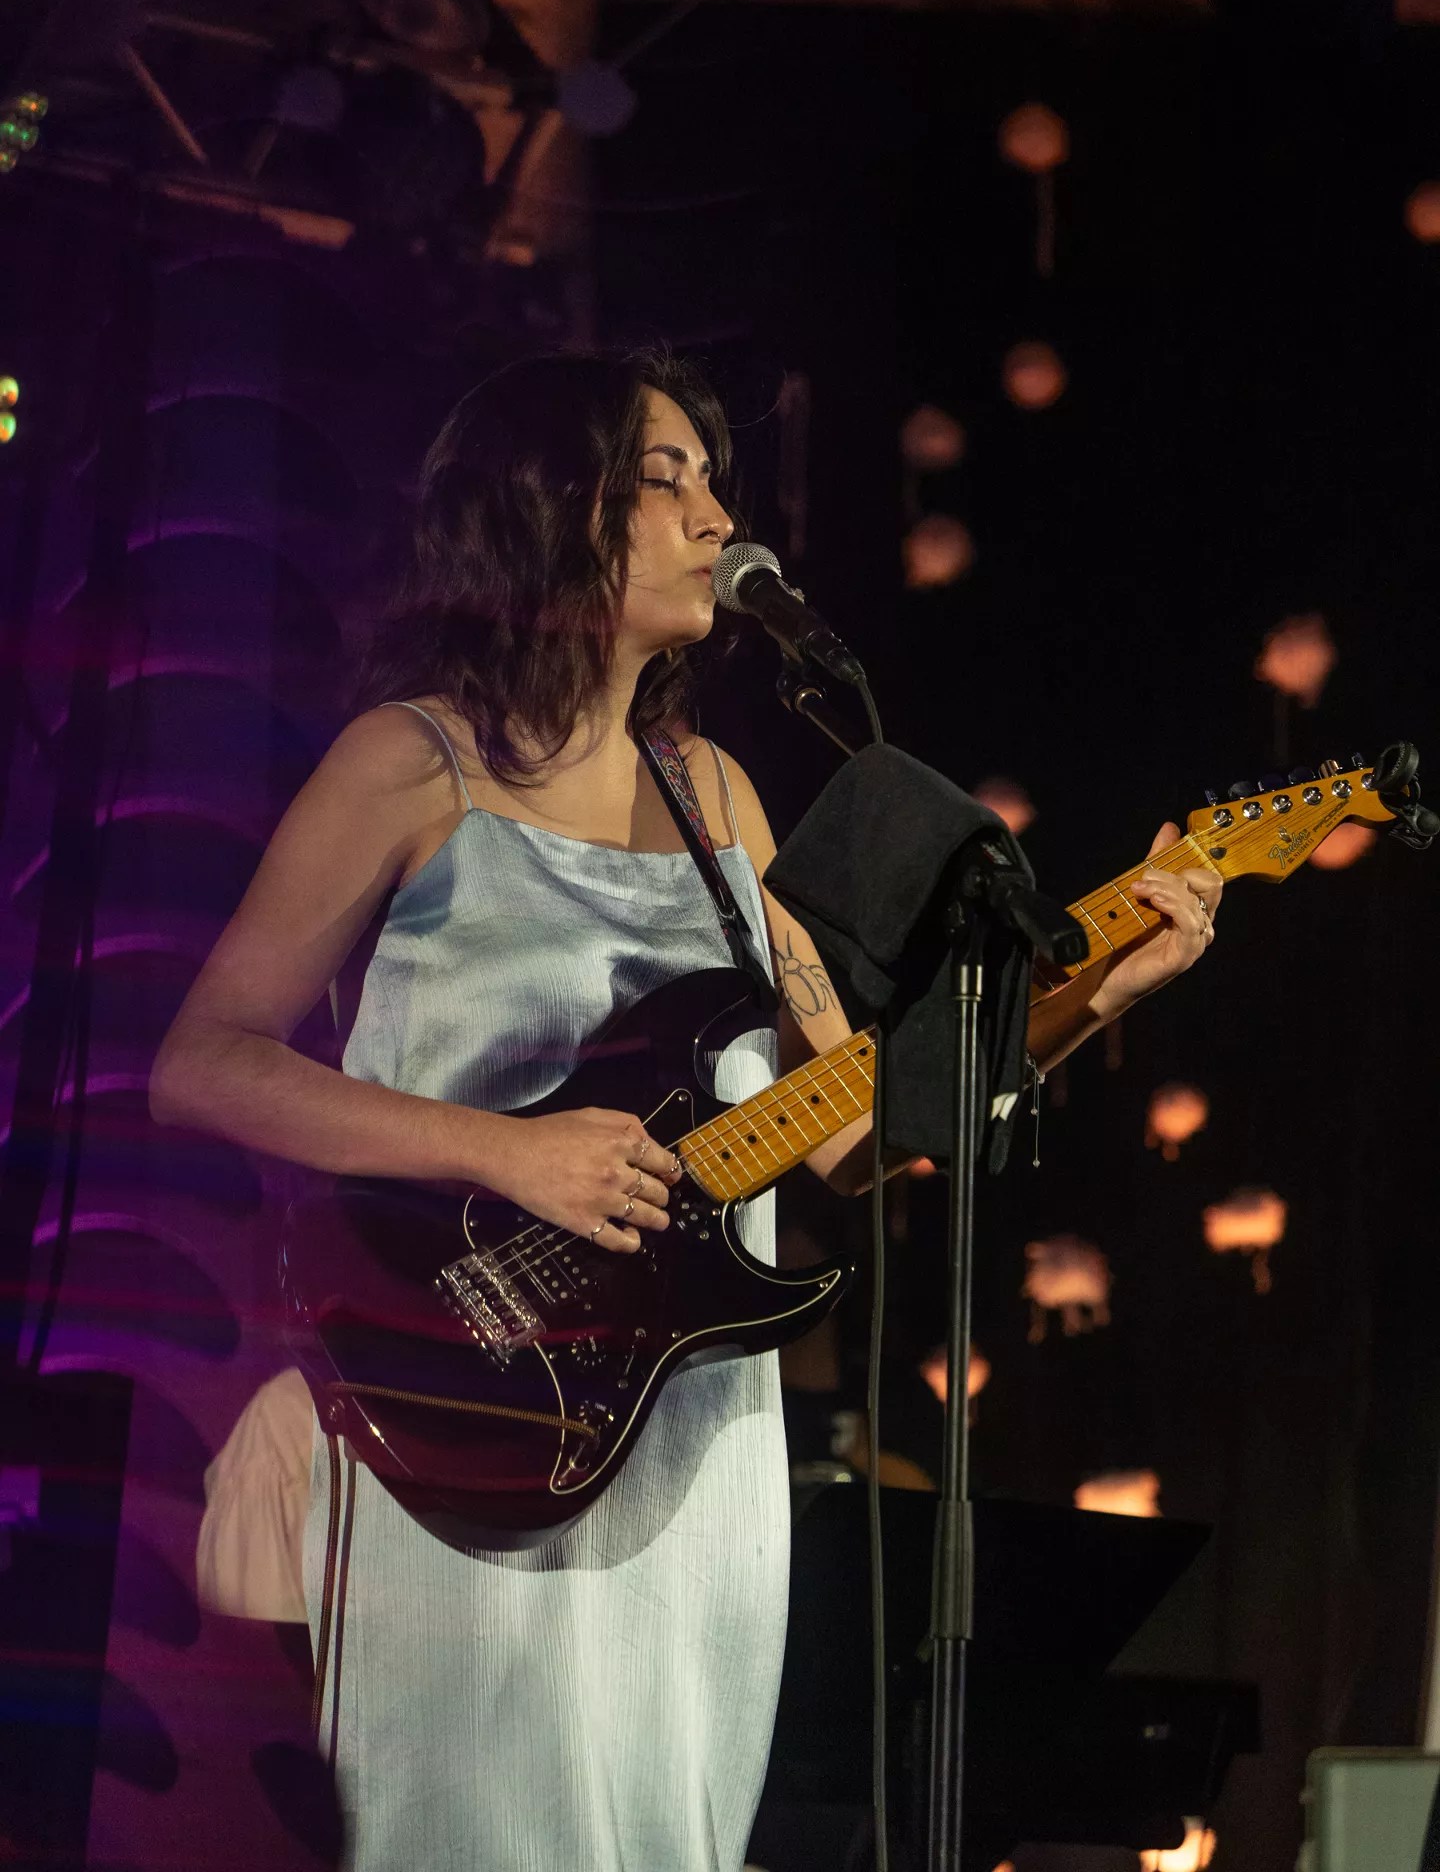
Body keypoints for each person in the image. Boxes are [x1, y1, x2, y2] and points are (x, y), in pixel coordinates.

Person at [150, 348, 1220, 1872]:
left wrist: (1100, 988)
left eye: (716, 482)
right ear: (550, 507)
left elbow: (853, 1125)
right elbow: (203, 1062)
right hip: (464, 1398)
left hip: (695, 1433)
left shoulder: (720, 797)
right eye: (669, 481)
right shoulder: (411, 759)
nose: (720, 517)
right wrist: (505, 1150)